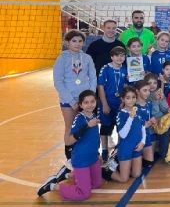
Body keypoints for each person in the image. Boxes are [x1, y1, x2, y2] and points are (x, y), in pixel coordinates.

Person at [37, 90, 102, 200]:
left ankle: (69, 175)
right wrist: (87, 126)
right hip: (81, 159)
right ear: (80, 105)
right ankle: (52, 186)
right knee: (84, 193)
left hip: (93, 157)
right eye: (86, 102)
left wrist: (97, 153)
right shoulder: (79, 118)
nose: (90, 105)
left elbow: (94, 138)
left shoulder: (93, 115)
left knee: (96, 184)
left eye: (92, 101)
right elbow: (70, 141)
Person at [53, 30, 97, 160]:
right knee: (70, 127)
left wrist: (90, 97)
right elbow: (58, 82)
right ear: (67, 42)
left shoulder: (87, 58)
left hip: (85, 101)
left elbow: (93, 77)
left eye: (80, 41)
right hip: (69, 101)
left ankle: (85, 152)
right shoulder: (62, 58)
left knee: (86, 126)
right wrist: (71, 101)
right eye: (74, 41)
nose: (77, 44)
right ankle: (69, 156)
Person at [102, 86, 145, 183]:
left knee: (136, 174)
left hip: (136, 147)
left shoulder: (137, 111)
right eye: (128, 98)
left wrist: (142, 142)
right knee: (123, 179)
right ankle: (105, 170)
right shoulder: (121, 114)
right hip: (125, 148)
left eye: (133, 97)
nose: (131, 100)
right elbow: (123, 135)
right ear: (123, 99)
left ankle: (119, 166)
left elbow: (143, 128)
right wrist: (130, 118)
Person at [96, 46, 127, 161]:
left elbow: (125, 87)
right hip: (107, 101)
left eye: (122, 55)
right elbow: (101, 87)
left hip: (119, 103)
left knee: (120, 126)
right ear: (112, 57)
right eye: (117, 55)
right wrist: (104, 104)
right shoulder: (105, 69)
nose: (120, 58)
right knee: (105, 126)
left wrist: (123, 102)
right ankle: (104, 149)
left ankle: (118, 148)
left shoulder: (124, 69)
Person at [134, 80, 156, 167]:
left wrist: (153, 120)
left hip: (146, 136)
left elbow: (149, 119)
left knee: (149, 163)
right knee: (135, 168)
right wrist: (146, 124)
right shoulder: (133, 106)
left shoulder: (149, 104)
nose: (148, 93)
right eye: (145, 90)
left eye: (149, 90)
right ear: (137, 91)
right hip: (136, 138)